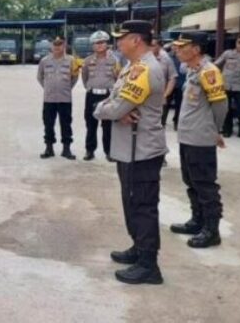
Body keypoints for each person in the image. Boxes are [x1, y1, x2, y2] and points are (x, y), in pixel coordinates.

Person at [94, 20, 167, 285]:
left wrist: (107, 111)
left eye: (121, 38)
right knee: (131, 202)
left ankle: (149, 265)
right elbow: (114, 102)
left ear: (136, 40)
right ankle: (139, 249)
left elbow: (115, 108)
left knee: (143, 207)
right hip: (129, 149)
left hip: (142, 151)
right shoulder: (131, 67)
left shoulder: (145, 70)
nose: (118, 42)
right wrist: (111, 109)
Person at [169, 32, 228, 248]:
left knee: (205, 185)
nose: (177, 50)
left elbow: (220, 104)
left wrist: (216, 130)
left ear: (196, 49)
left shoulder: (209, 72)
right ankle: (198, 221)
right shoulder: (192, 70)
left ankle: (212, 231)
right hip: (188, 137)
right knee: (191, 181)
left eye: (182, 46)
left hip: (201, 138)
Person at [37, 36, 79, 160]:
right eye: (55, 45)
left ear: (64, 46)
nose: (57, 47)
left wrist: (66, 88)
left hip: (65, 99)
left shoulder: (71, 60)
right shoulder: (44, 61)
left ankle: (66, 149)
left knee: (66, 124)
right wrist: (48, 88)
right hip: (49, 99)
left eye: (60, 45)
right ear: (51, 46)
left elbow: (75, 77)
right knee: (48, 124)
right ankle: (49, 148)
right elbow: (40, 76)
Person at [81, 31, 120, 162]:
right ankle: (90, 150)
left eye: (102, 42)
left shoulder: (115, 60)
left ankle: (109, 151)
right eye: (97, 43)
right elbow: (84, 78)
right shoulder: (87, 61)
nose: (99, 45)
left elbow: (119, 78)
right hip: (92, 94)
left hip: (108, 95)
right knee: (90, 124)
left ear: (107, 44)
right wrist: (89, 88)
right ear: (93, 46)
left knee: (108, 125)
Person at [151, 39, 178, 128]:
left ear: (159, 46)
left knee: (160, 124)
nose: (151, 47)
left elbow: (172, 77)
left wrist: (166, 95)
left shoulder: (166, 60)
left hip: (162, 95)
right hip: (147, 95)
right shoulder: (144, 59)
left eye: (153, 45)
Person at [165, 42, 185, 130]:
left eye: (177, 46)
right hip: (169, 84)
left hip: (180, 84)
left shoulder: (184, 56)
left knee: (179, 105)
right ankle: (162, 122)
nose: (175, 48)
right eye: (174, 46)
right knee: (165, 104)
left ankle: (176, 122)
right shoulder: (167, 57)